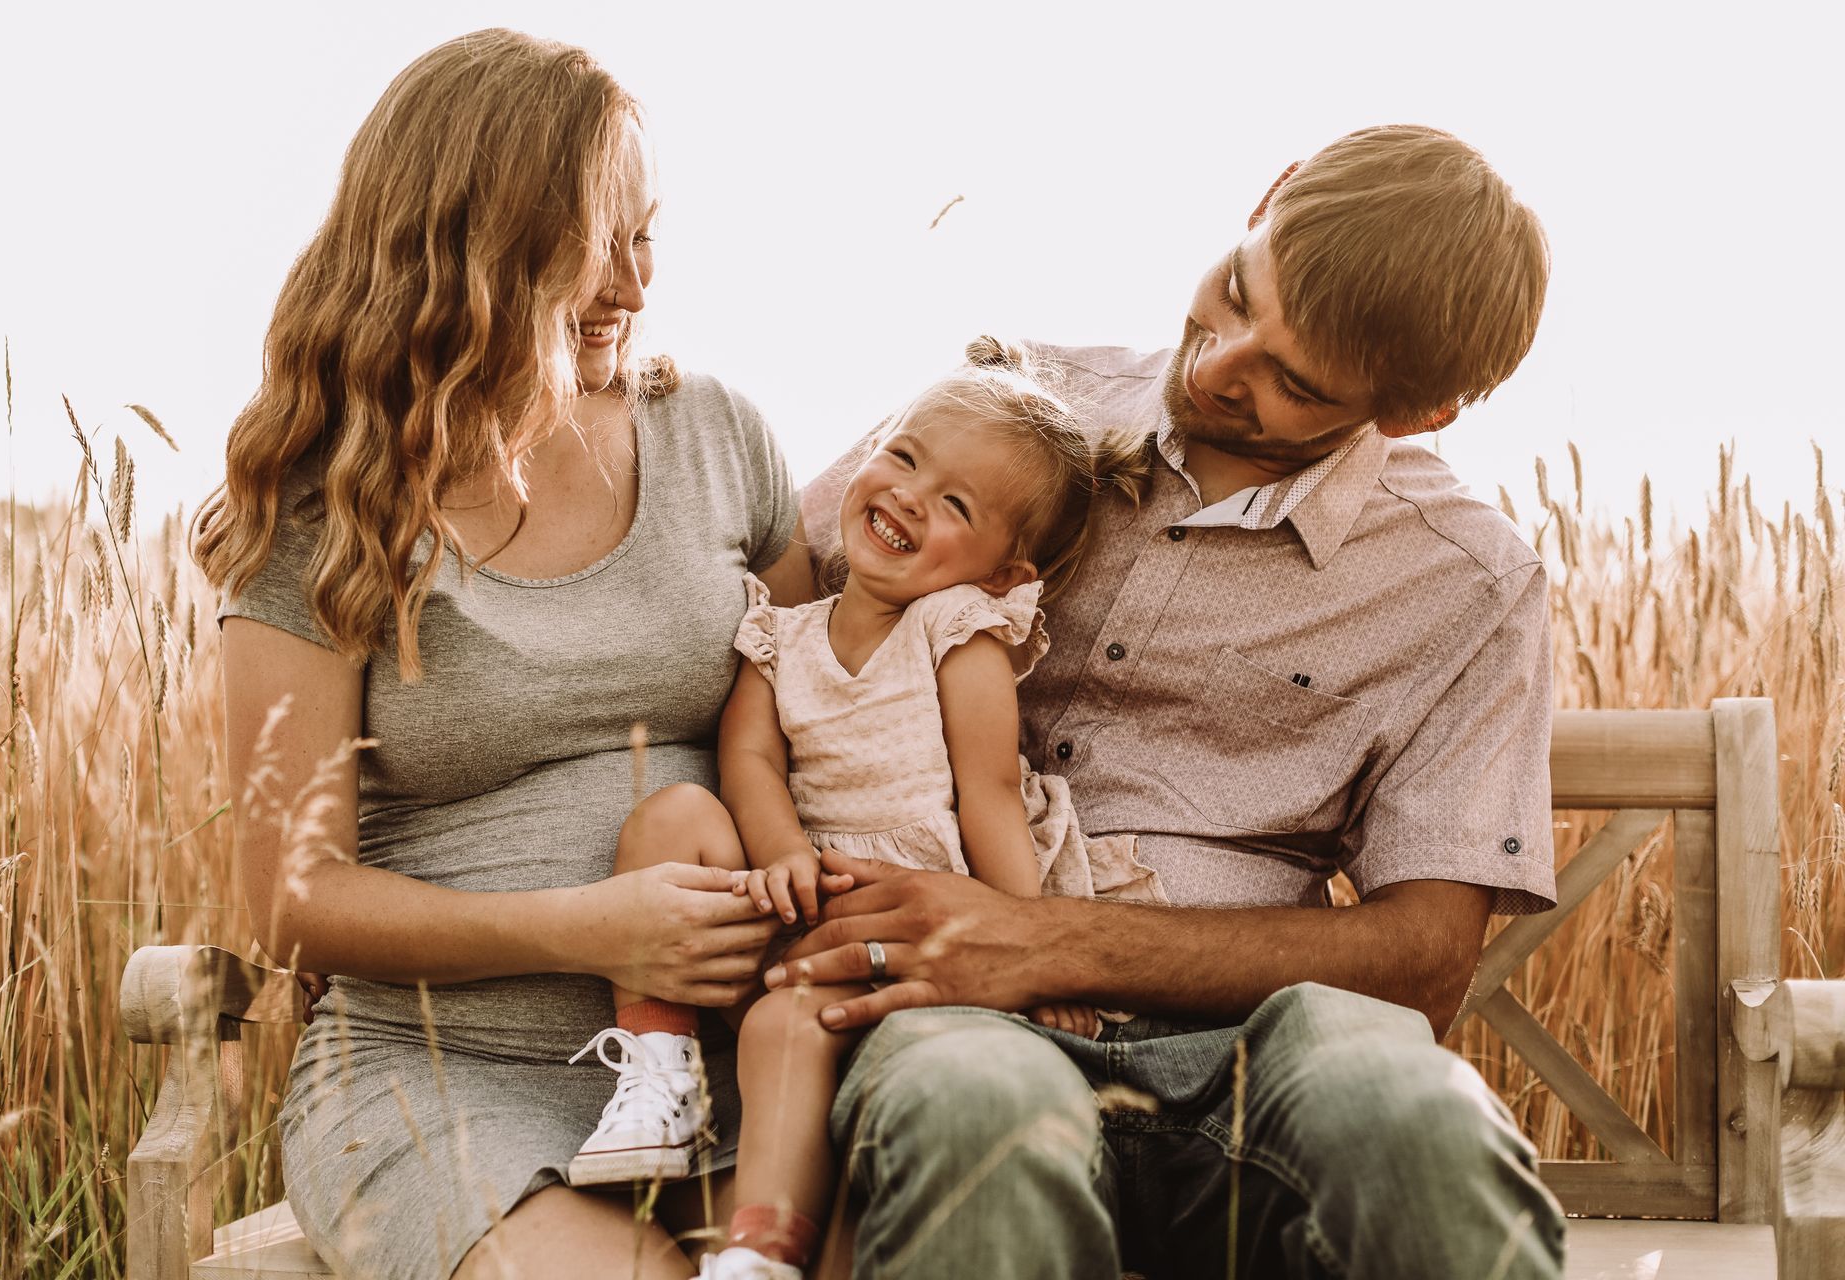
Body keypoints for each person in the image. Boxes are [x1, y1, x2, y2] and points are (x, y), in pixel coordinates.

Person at [776, 125, 1567, 1279]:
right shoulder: (1012, 401)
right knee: (971, 1115)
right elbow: (769, 601)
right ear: (1270, 193)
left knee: (1424, 1133)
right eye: (1237, 291)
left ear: (1414, 412)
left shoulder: (1470, 581)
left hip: (1258, 1041)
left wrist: (1044, 940)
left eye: (1293, 382)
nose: (1216, 367)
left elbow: (1424, 959)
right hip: (959, 1015)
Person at [193, 30, 815, 1280]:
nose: (634, 284)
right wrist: (593, 931)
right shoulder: (328, 502)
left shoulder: (718, 437)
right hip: (440, 1077)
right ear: (469, 247)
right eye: (594, 243)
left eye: (647, 236)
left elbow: (823, 719)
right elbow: (292, 898)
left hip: (750, 1067)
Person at [564, 339, 1163, 1279]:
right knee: (672, 814)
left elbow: (989, 797)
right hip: (806, 894)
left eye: (957, 505)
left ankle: (760, 1250)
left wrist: (1032, 947)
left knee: (784, 1028)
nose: (911, 497)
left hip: (921, 916)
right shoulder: (781, 632)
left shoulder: (958, 633)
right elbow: (751, 757)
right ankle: (660, 1072)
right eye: (905, 457)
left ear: (1003, 574)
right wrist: (781, 851)